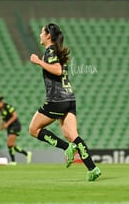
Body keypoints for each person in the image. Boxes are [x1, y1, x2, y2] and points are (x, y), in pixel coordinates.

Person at [28, 23, 101, 181]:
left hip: (57, 100)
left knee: (33, 129)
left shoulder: (50, 51)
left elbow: (58, 70)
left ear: (48, 36)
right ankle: (92, 168)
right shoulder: (57, 51)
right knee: (72, 135)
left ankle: (66, 148)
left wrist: (38, 62)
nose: (40, 34)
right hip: (69, 99)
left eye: (42, 32)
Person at [0, 96, 32, 165]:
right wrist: (1, 126)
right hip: (10, 127)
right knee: (12, 145)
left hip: (15, 125)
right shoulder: (0, 110)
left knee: (9, 144)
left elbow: (15, 116)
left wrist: (7, 124)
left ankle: (13, 161)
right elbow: (3, 118)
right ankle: (27, 153)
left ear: (1, 102)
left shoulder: (8, 107)